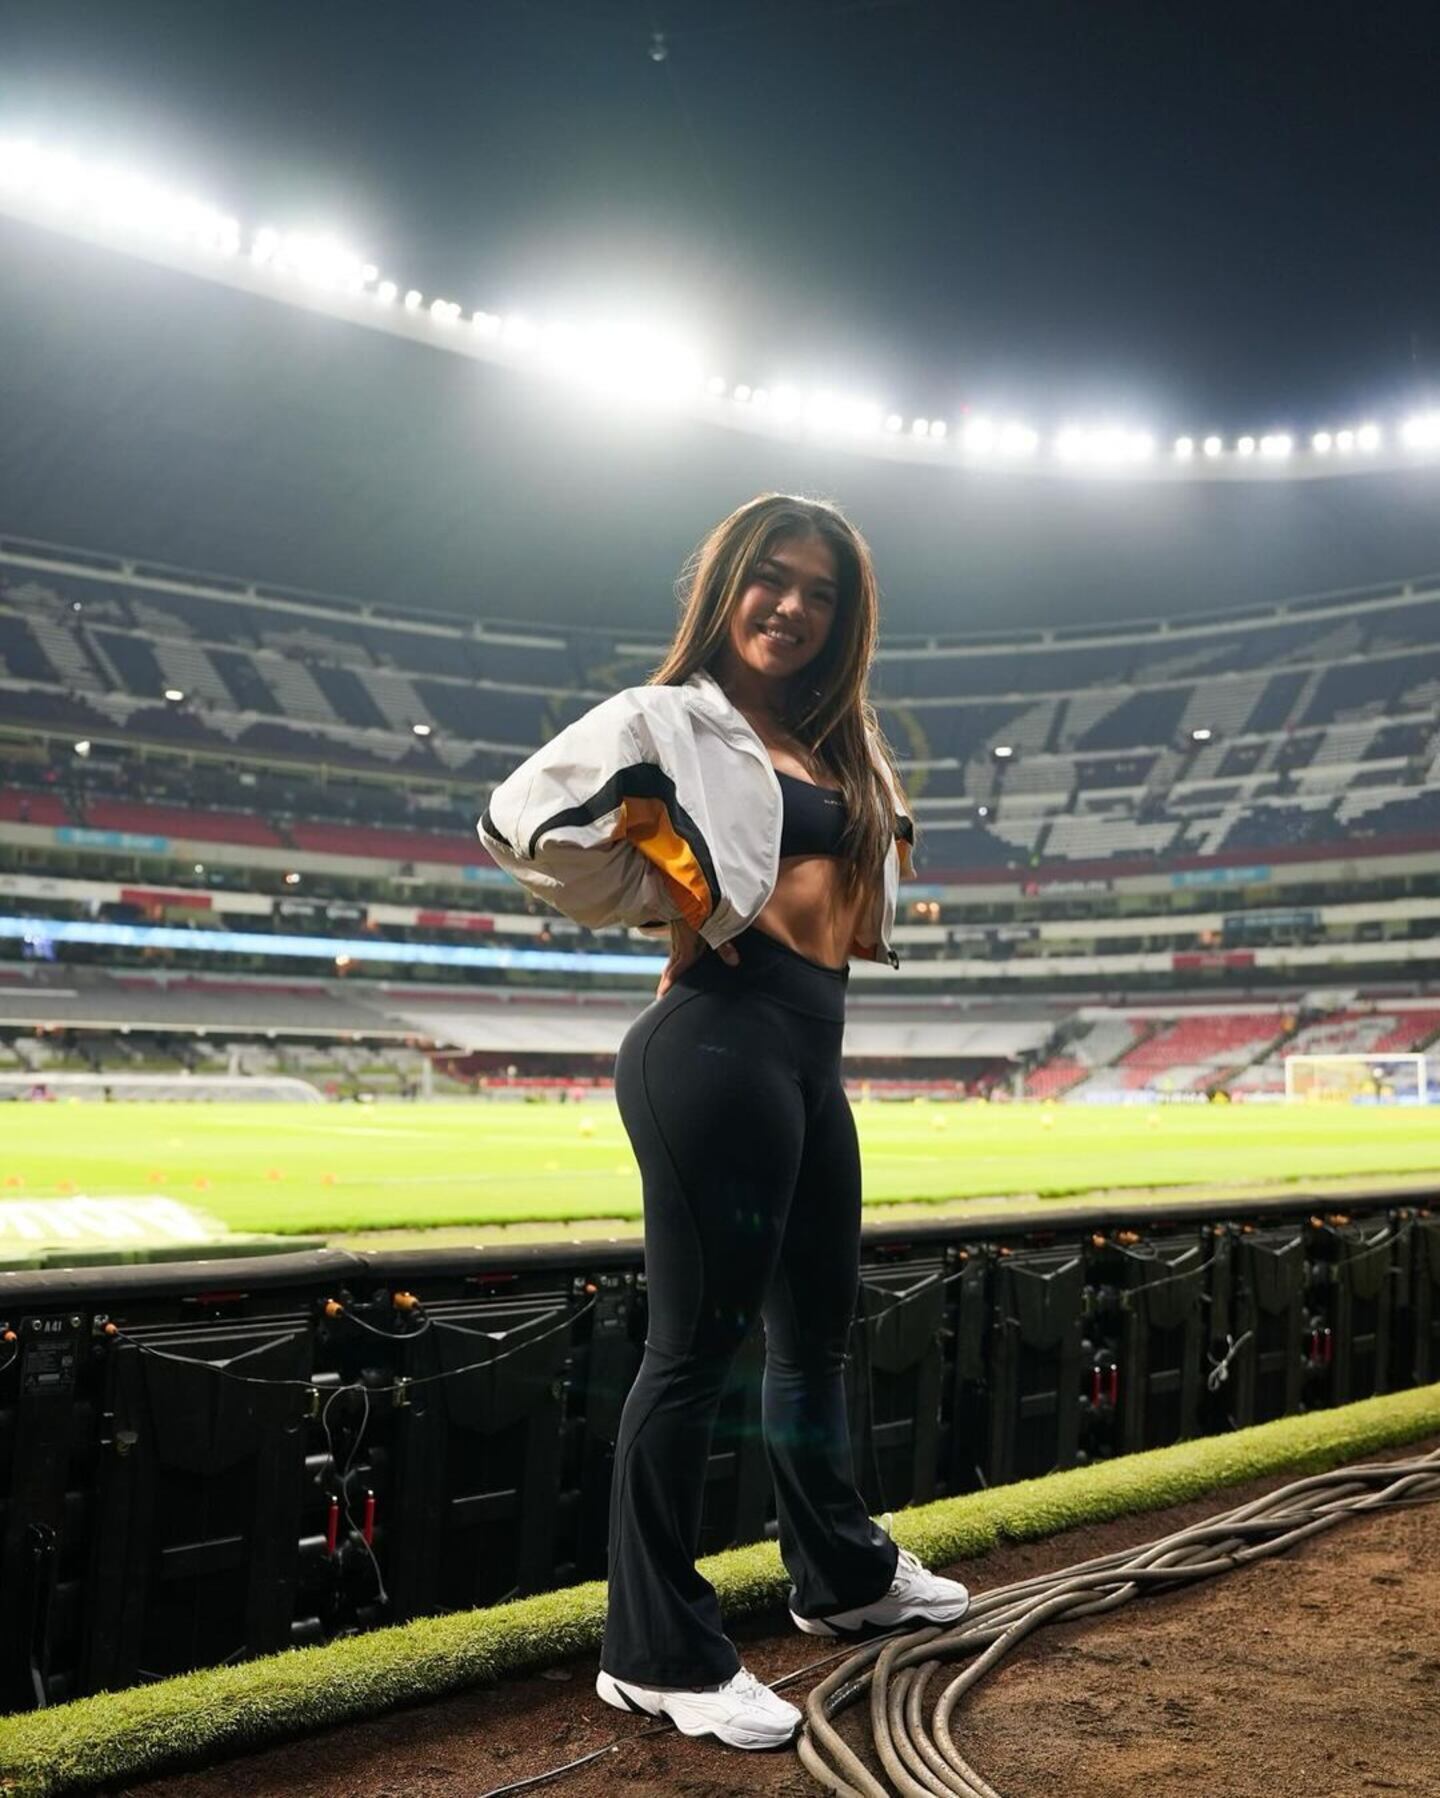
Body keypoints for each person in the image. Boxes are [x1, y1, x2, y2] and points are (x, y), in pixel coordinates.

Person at [478, 493, 969, 1753]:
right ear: (728, 584)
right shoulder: (674, 718)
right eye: (772, 578)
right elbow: (522, 819)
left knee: (818, 1335)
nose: (792, 607)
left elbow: (850, 888)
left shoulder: (835, 742)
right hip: (716, 1039)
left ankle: (844, 1576)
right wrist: (650, 877)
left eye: (821, 592)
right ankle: (654, 1652)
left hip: (812, 1053)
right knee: (696, 1352)